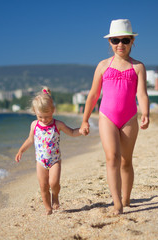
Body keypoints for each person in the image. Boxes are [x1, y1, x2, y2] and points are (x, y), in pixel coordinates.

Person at [79, 19, 150, 215]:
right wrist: (85, 120)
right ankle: (117, 202)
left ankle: (126, 198)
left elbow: (142, 94)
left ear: (132, 41)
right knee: (112, 158)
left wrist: (145, 113)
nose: (120, 44)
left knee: (126, 160)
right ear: (109, 42)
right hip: (106, 117)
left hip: (129, 118)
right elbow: (93, 95)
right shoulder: (102, 66)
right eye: (115, 40)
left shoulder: (138, 67)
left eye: (125, 40)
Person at [15, 87, 81, 215]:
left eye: (47, 116)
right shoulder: (34, 125)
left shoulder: (58, 124)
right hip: (40, 161)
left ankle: (55, 196)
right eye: (41, 117)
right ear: (35, 112)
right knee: (43, 186)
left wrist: (82, 130)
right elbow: (30, 140)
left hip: (55, 160)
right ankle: (48, 208)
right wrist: (21, 150)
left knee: (53, 183)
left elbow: (72, 132)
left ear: (53, 111)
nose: (44, 120)